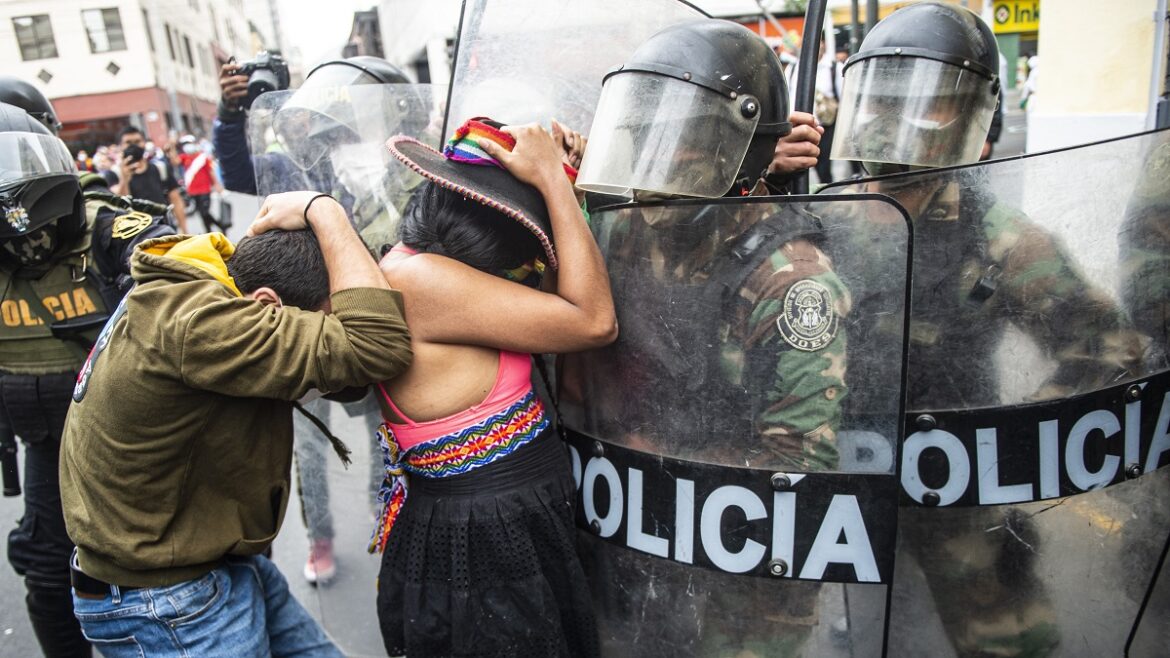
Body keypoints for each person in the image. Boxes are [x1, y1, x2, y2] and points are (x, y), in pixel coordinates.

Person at [826, 3, 1144, 655]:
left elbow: (1112, 350)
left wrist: (1006, 448)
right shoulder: (830, 215)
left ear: (972, 117)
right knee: (866, 633)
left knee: (1012, 644)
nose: (899, 119)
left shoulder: (1001, 237)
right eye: (884, 100)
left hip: (957, 489)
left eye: (928, 102)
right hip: (851, 484)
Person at [59, 190, 414, 656]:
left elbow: (351, 378)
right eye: (327, 320)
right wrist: (324, 210)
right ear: (268, 305)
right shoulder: (204, 324)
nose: (331, 328)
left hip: (204, 563)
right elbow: (378, 344)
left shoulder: (209, 287)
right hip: (167, 601)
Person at [371, 119, 617, 656]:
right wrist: (551, 182)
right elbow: (594, 322)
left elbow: (560, 314)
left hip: (509, 522)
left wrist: (565, 185)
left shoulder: (437, 267)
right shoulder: (420, 279)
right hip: (485, 540)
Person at [0, 84, 174, 658]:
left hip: (137, 441)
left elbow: (189, 305)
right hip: (47, 441)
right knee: (48, 572)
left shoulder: (107, 231)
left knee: (176, 567)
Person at [107, 126, 190, 232]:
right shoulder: (114, 174)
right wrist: (124, 179)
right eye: (128, 142)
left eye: (137, 141)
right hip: (135, 236)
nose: (133, 145)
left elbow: (176, 200)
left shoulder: (160, 168)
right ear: (120, 146)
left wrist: (185, 232)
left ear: (144, 143)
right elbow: (120, 206)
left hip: (165, 230)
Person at [177, 134, 228, 233]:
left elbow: (211, 171)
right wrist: (171, 147)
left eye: (188, 143)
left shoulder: (203, 157)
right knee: (202, 214)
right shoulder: (184, 157)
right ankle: (209, 231)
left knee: (204, 213)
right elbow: (175, 161)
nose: (187, 145)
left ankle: (219, 226)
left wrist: (217, 185)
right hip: (192, 191)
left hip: (205, 190)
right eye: (184, 144)